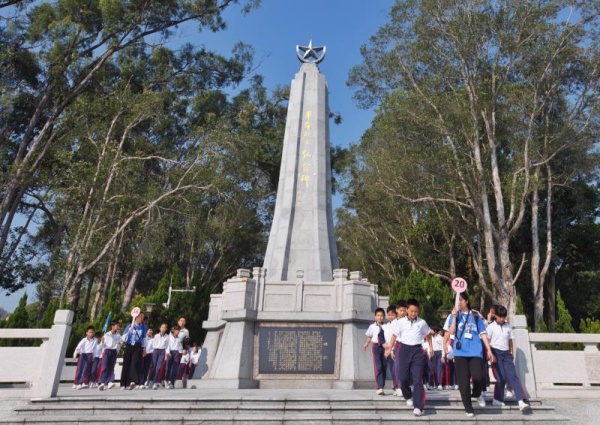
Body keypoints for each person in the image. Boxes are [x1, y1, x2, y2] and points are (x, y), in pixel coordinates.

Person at [447, 292, 495, 418]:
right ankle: (468, 408)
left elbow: (483, 333)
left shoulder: (475, 315)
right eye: (457, 300)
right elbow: (451, 332)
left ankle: (477, 393)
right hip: (460, 352)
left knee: (479, 376)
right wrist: (454, 318)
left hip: (475, 351)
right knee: (463, 382)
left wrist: (488, 349)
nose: (459, 302)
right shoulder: (454, 315)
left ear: (466, 301)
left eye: (461, 300)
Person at [386, 298, 433, 417]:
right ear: (407, 310)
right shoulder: (400, 322)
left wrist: (431, 347)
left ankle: (418, 406)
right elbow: (393, 336)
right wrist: (389, 349)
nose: (413, 313)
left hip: (417, 351)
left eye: (416, 311)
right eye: (411, 311)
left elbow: (428, 335)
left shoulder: (422, 322)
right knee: (403, 378)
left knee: (417, 379)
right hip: (404, 350)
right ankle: (408, 395)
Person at [486, 305, 530, 411]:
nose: (502, 319)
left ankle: (520, 401)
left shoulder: (508, 327)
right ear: (495, 315)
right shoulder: (490, 327)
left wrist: (511, 353)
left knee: (513, 376)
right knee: (500, 377)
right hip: (495, 352)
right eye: (500, 317)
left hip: (506, 354)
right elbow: (487, 341)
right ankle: (497, 399)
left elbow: (510, 341)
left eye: (504, 317)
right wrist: (489, 353)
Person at [120, 311, 147, 390]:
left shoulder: (143, 327)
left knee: (135, 363)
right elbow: (123, 338)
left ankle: (134, 381)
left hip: (137, 346)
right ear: (136, 317)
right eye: (140, 317)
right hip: (129, 346)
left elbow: (144, 338)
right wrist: (129, 331)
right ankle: (123, 384)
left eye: (143, 317)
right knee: (126, 364)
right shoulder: (129, 326)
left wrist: (144, 348)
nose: (142, 318)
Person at [363, 307, 387, 395]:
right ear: (375, 317)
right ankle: (379, 387)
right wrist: (366, 344)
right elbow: (369, 336)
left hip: (384, 347)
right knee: (378, 366)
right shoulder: (372, 326)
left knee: (384, 366)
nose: (380, 317)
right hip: (376, 346)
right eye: (378, 315)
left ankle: (382, 385)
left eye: (381, 315)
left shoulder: (386, 326)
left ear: (384, 317)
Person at [98, 321, 121, 391]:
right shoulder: (107, 334)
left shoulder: (118, 336)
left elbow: (120, 344)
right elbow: (102, 346)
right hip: (107, 351)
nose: (118, 327)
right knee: (105, 367)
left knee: (111, 367)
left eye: (118, 326)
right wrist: (102, 341)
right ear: (112, 326)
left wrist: (118, 345)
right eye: (117, 326)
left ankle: (110, 381)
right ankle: (102, 382)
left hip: (113, 352)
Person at [392, 300, 407, 397]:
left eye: (404, 310)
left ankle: (403, 387)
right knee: (397, 367)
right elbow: (391, 336)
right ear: (397, 310)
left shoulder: (408, 321)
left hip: (407, 345)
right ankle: (399, 387)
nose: (403, 312)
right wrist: (390, 350)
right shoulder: (393, 323)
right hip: (397, 346)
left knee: (405, 367)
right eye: (401, 310)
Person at [383, 305, 398, 396]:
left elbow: (396, 338)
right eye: (389, 315)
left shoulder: (397, 324)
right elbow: (386, 338)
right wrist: (386, 348)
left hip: (395, 350)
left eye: (392, 315)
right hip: (388, 350)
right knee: (392, 370)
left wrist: (392, 350)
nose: (390, 316)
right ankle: (396, 385)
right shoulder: (386, 326)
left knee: (396, 369)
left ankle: (397, 386)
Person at [149, 323, 170, 390]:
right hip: (156, 351)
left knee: (158, 367)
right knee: (153, 366)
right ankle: (151, 380)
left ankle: (155, 382)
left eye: (164, 328)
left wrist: (167, 353)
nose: (163, 329)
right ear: (160, 328)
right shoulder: (156, 336)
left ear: (166, 329)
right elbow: (153, 344)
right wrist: (152, 351)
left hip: (162, 351)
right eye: (162, 327)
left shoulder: (167, 337)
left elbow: (167, 346)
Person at [166, 325, 182, 389]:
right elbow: (167, 345)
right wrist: (168, 352)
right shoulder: (169, 337)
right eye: (177, 330)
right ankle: (167, 380)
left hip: (176, 352)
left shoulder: (179, 338)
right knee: (168, 367)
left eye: (179, 331)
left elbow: (179, 346)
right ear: (174, 330)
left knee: (174, 368)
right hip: (170, 352)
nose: (178, 332)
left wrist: (180, 352)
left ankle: (172, 382)